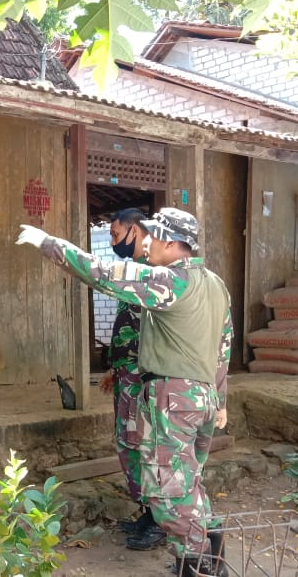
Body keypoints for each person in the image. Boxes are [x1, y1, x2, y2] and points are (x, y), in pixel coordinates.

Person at [16, 208, 232, 577]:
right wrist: (221, 399)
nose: (144, 244)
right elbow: (223, 346)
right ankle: (211, 550)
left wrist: (47, 242)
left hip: (172, 399)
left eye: (149, 237)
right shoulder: (215, 283)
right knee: (187, 482)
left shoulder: (169, 280)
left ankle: (198, 567)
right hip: (202, 399)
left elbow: (103, 274)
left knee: (168, 492)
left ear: (168, 240)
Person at [96, 208, 168, 550]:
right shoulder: (137, 271)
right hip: (128, 378)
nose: (112, 242)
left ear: (135, 231)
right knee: (128, 445)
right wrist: (116, 368)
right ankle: (147, 512)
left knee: (147, 447)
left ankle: (161, 520)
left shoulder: (156, 272)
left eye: (115, 234)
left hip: (147, 382)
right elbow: (130, 327)